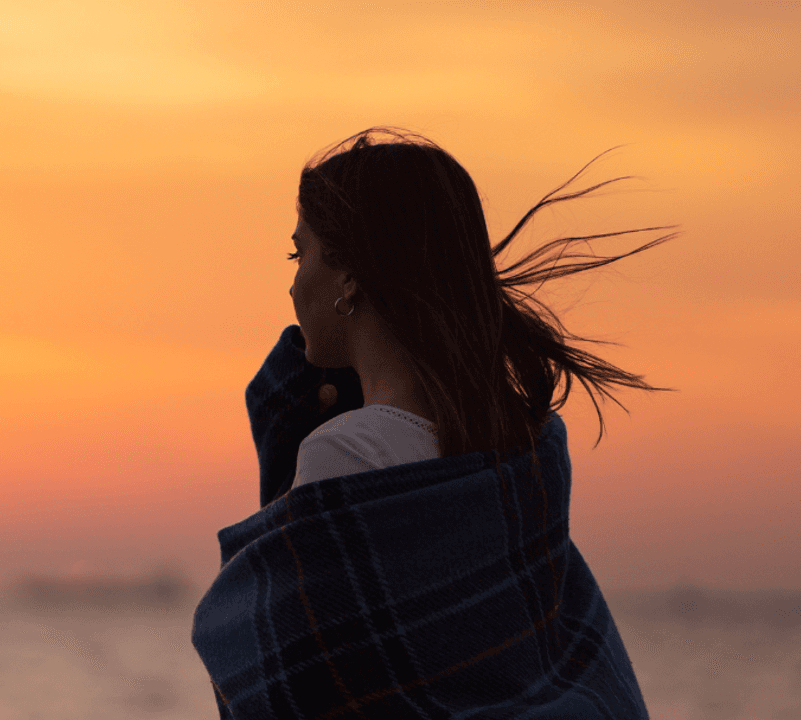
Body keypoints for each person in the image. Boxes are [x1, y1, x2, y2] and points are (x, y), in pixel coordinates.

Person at [191, 127, 680, 719]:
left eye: (301, 254)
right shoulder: (513, 447)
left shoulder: (345, 454)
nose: (293, 283)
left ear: (349, 277)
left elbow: (294, 680)